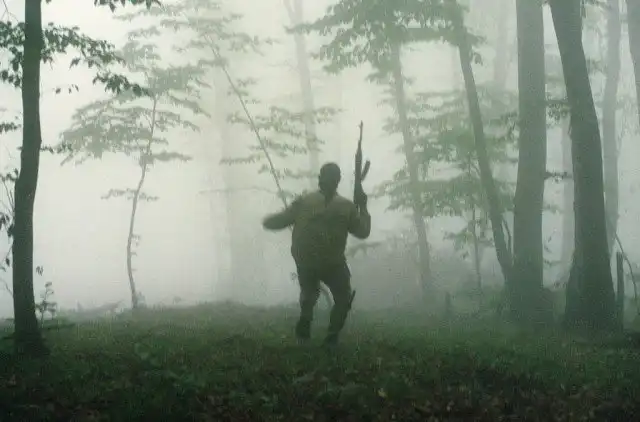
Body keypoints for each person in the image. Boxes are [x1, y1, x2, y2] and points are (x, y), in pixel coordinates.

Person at [262, 162, 371, 345]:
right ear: (337, 181)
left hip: (312, 261)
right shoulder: (344, 206)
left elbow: (279, 221)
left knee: (311, 292)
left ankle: (312, 323)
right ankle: (329, 333)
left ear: (322, 179)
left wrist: (269, 221)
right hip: (327, 262)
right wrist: (363, 207)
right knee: (339, 296)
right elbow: (363, 232)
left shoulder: (306, 202)